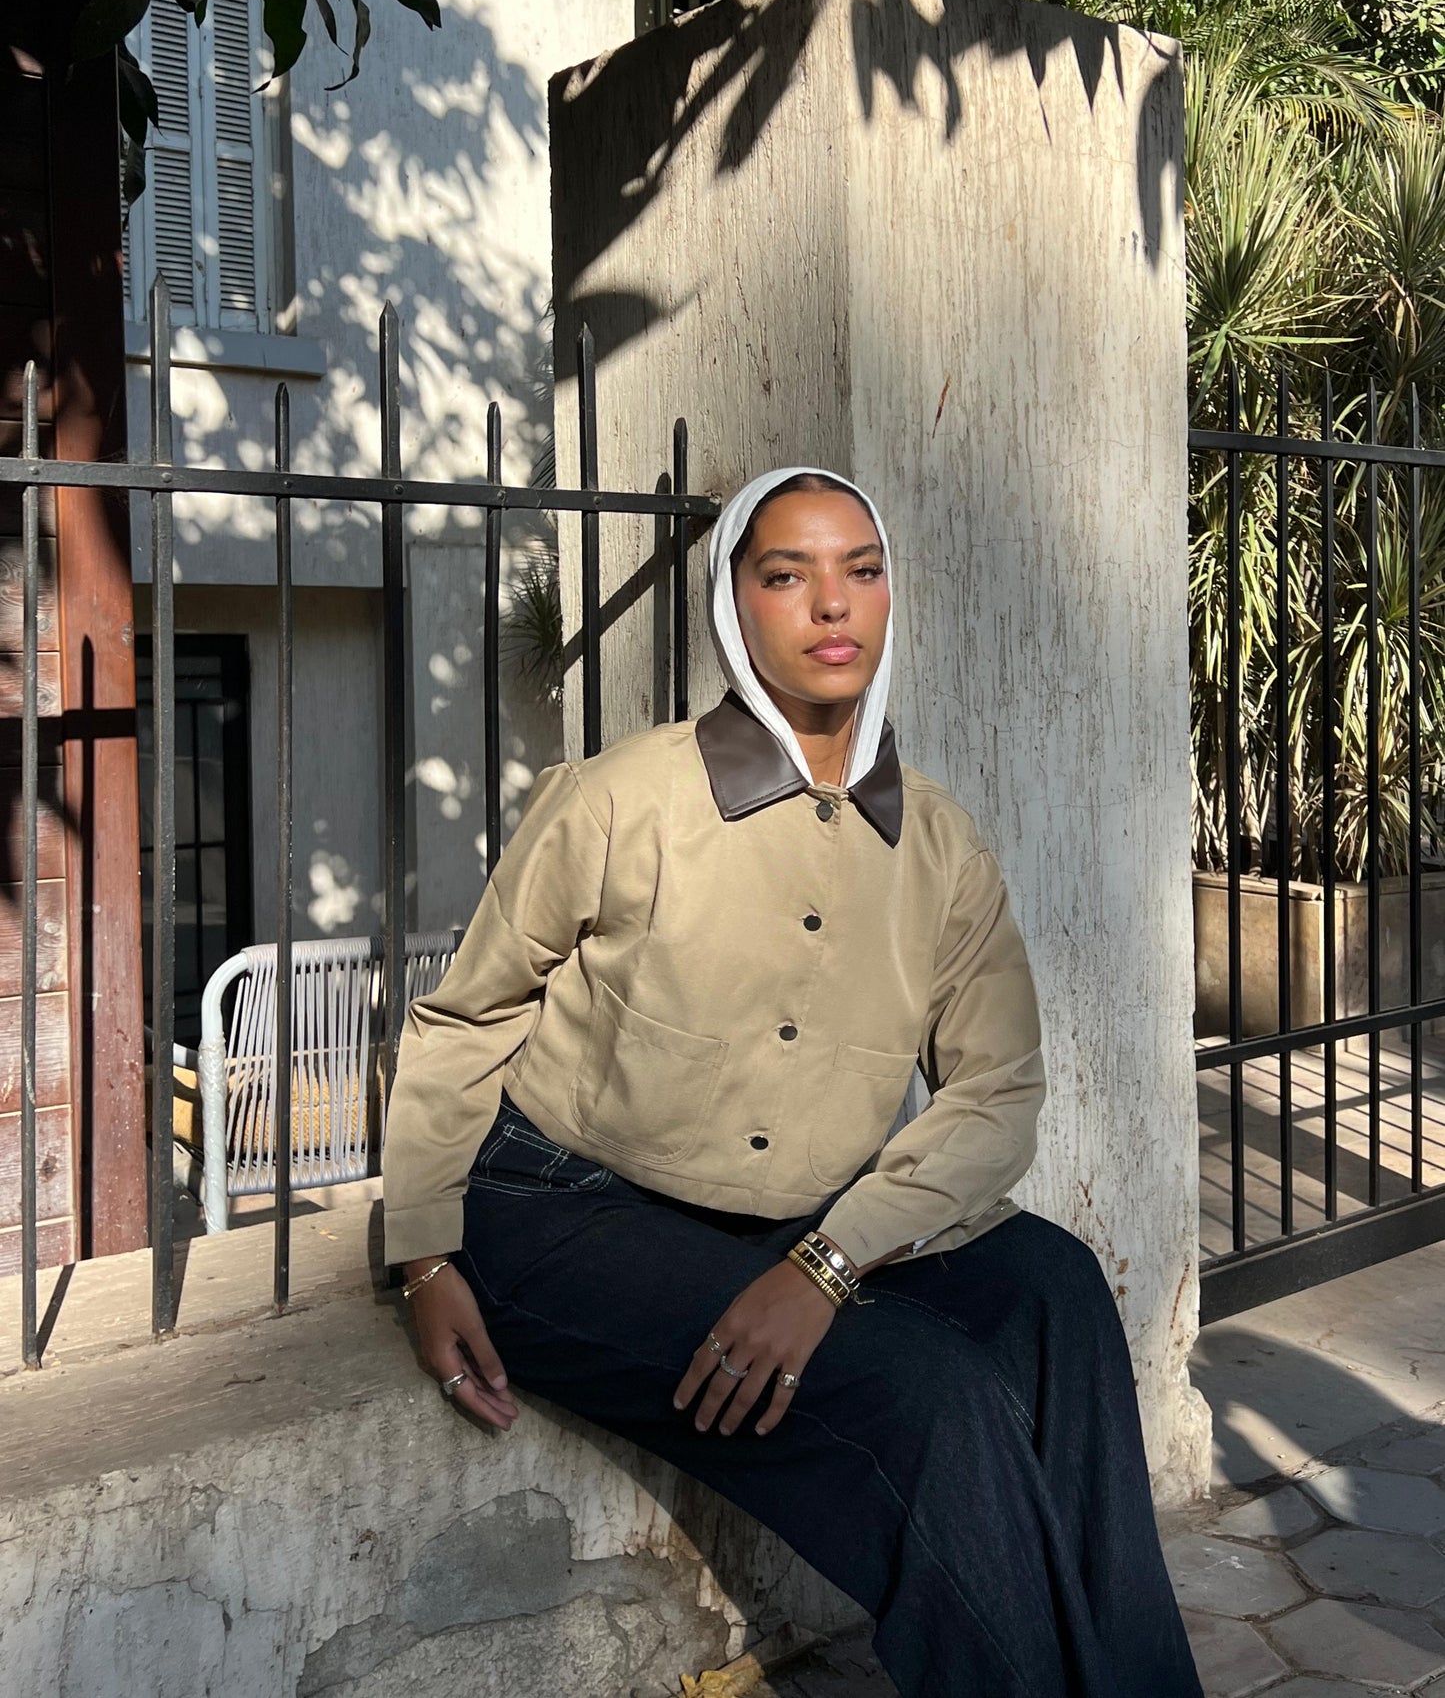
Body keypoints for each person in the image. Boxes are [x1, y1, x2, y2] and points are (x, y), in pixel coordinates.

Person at [380, 465, 1204, 1698]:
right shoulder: (620, 798)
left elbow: (994, 1091)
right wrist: (424, 1253)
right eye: (787, 574)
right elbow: (467, 1014)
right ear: (735, 604)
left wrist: (825, 1263)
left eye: (859, 570)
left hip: (786, 1221)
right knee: (924, 1398)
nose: (832, 604)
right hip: (561, 1205)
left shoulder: (935, 841)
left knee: (1055, 1294)